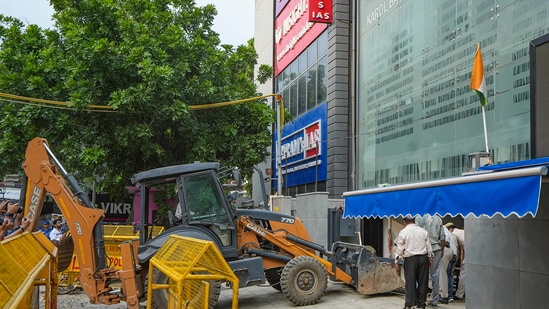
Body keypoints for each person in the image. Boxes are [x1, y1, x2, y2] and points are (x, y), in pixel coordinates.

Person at [395, 215, 433, 309]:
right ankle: (421, 304)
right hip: (423, 258)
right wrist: (430, 258)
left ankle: (409, 304)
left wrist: (396, 261)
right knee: (423, 282)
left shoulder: (403, 232)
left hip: (410, 259)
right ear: (414, 221)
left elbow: (400, 248)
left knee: (410, 282)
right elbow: (428, 246)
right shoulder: (423, 231)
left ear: (404, 222)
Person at [415, 214, 445, 306]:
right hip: (436, 248)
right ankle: (434, 300)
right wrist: (442, 250)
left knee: (421, 274)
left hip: (424, 249)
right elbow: (442, 237)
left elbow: (417, 234)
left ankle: (420, 299)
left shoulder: (419, 217)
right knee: (435, 275)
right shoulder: (438, 219)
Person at [446, 222, 465, 301]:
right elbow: (462, 251)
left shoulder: (453, 234)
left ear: (450, 229)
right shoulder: (462, 232)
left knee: (463, 274)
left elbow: (456, 251)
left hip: (471, 250)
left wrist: (454, 265)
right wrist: (461, 264)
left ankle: (459, 294)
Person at [439, 224, 457, 303]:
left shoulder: (440, 228)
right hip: (452, 253)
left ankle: (444, 295)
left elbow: (444, 241)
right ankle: (449, 295)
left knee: (442, 273)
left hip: (446, 250)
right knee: (448, 275)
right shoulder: (445, 229)